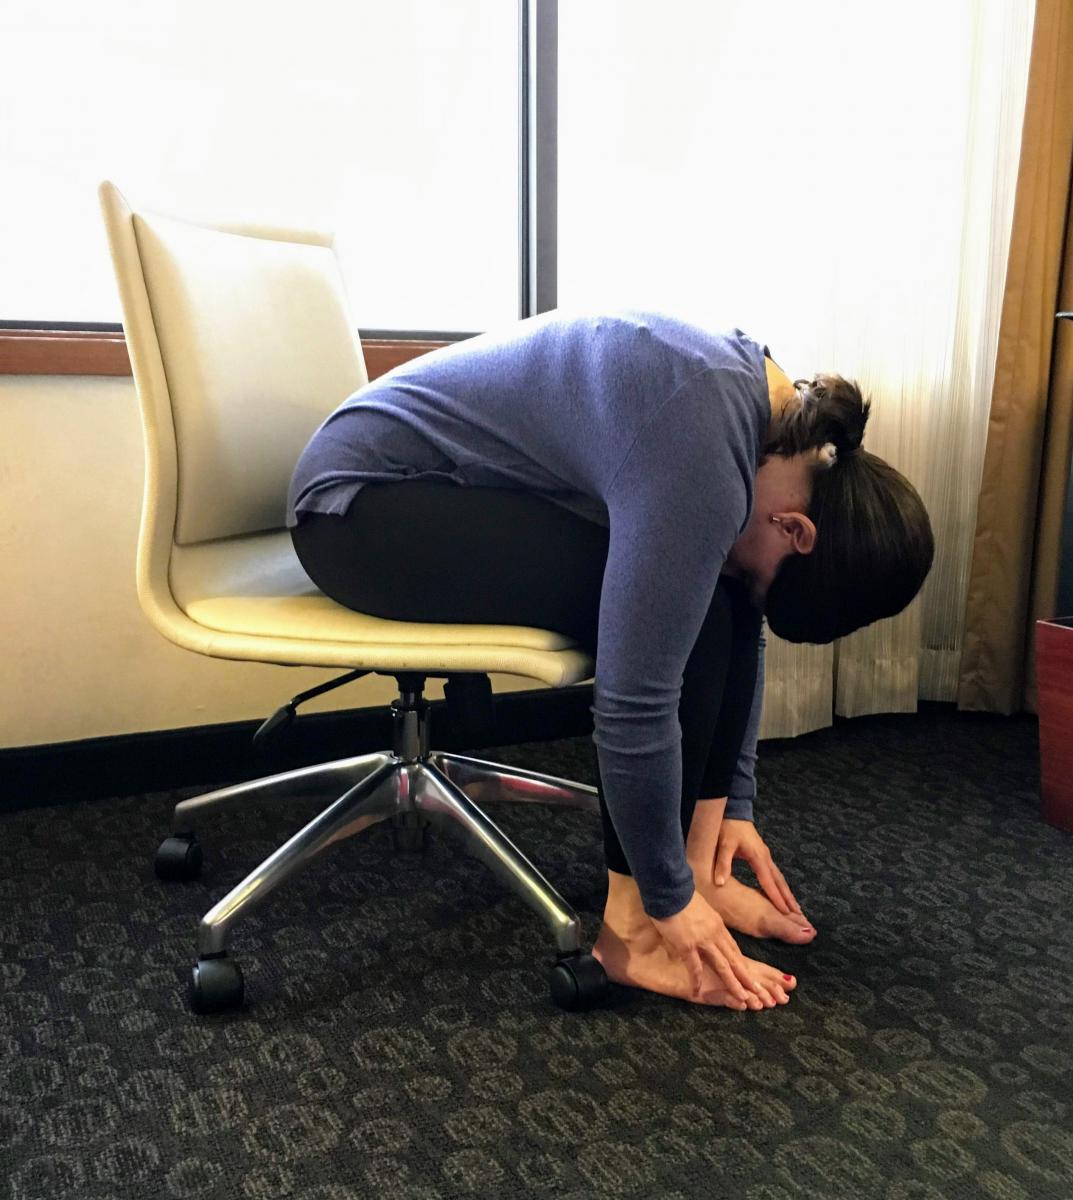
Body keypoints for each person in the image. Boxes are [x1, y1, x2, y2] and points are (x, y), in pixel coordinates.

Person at [287, 309, 934, 1010]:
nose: (753, 582)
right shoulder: (704, 442)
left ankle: (695, 859)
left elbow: (746, 624)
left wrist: (726, 817)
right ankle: (629, 934)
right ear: (797, 530)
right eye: (773, 573)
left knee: (721, 601)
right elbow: (634, 704)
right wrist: (664, 899)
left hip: (447, 487)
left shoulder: (778, 424)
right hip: (359, 510)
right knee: (702, 616)